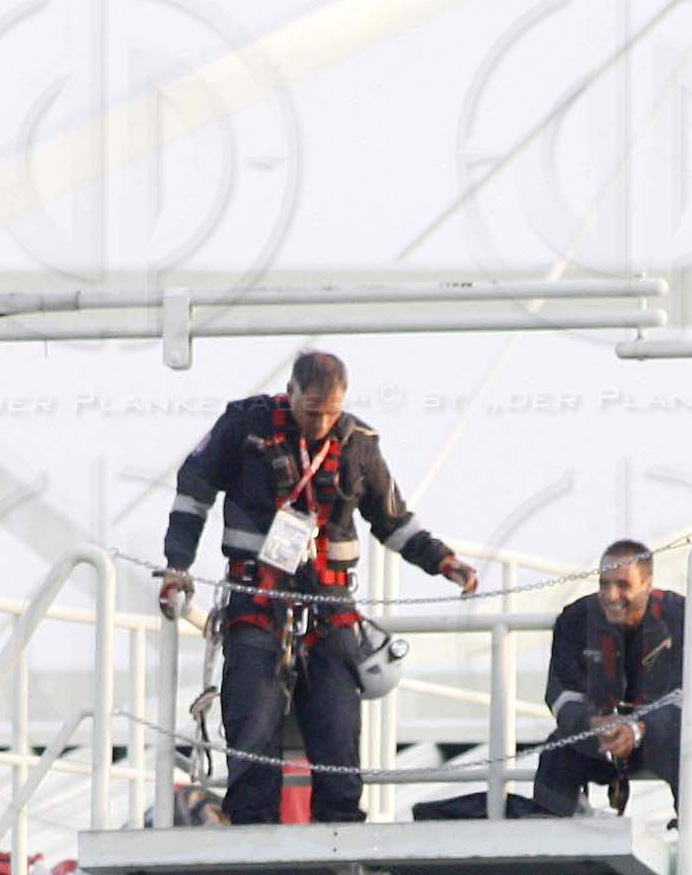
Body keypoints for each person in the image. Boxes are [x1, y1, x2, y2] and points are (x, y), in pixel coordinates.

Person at [159, 350, 480, 825]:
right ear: (289, 394)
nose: (321, 422)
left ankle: (341, 828)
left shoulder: (359, 444)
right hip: (257, 601)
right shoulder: (243, 427)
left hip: (329, 608)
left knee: (336, 721)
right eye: (311, 412)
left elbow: (391, 520)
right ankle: (252, 830)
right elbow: (193, 490)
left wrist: (442, 561)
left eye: (330, 412)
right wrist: (176, 566)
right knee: (252, 718)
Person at [531, 539, 692, 841]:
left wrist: (639, 729)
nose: (611, 595)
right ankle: (547, 850)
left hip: (661, 739)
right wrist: (590, 724)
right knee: (557, 752)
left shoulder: (684, 617)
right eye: (604, 584)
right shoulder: (575, 619)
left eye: (623, 585)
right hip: (599, 738)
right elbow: (561, 694)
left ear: (648, 584)